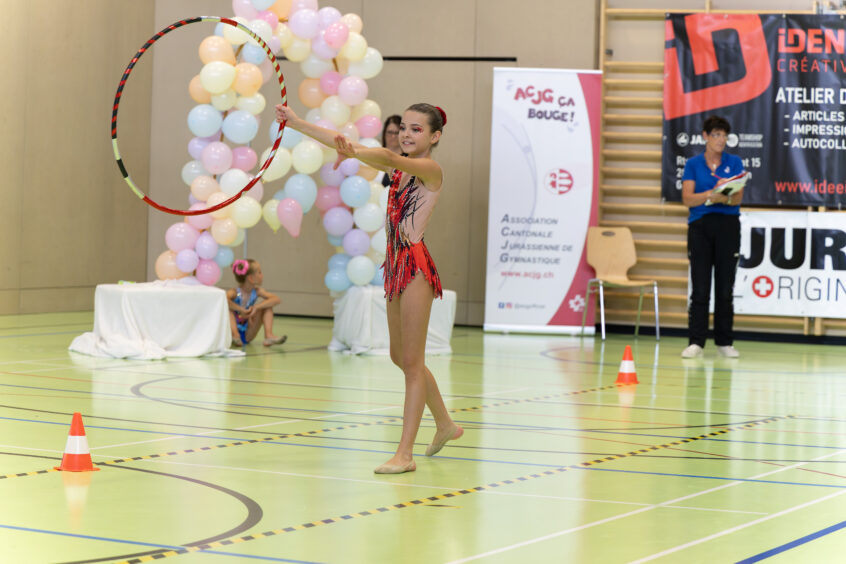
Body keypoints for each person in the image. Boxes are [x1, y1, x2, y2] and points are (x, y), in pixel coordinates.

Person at [275, 102, 463, 474]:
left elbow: (382, 154)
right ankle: (444, 424)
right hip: (394, 266)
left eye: (416, 129)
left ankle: (404, 454)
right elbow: (344, 142)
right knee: (399, 356)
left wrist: (355, 152)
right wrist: (296, 123)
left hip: (415, 268)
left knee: (413, 364)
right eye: (403, 127)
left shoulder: (429, 169)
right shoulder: (399, 167)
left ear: (435, 136)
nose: (406, 134)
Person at [680, 115, 744, 359]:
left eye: (724, 135)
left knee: (725, 288)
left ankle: (724, 342)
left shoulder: (734, 162)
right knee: (700, 287)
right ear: (705, 136)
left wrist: (723, 198)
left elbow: (737, 198)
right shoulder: (693, 164)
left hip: (728, 226)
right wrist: (710, 195)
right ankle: (696, 341)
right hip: (700, 227)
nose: (720, 140)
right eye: (716, 135)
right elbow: (688, 199)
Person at [227, 259, 287, 347]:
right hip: (230, 334)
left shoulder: (257, 291)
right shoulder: (234, 292)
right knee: (228, 308)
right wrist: (240, 309)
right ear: (251, 278)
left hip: (248, 334)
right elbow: (223, 300)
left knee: (267, 306)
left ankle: (269, 336)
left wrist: (256, 307)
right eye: (259, 272)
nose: (262, 275)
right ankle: (235, 335)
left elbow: (276, 299)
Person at [380, 114, 402, 187]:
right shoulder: (375, 154)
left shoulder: (406, 161)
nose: (393, 136)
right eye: (390, 132)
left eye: (397, 133)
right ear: (384, 133)